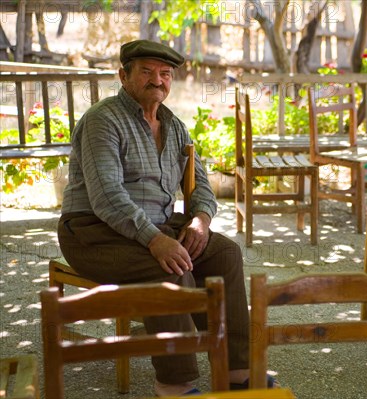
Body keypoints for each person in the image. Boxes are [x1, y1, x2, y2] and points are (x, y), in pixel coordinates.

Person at [57, 40, 275, 396]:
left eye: (165, 74)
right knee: (170, 266)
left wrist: (200, 219)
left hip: (155, 225)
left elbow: (201, 183)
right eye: (146, 71)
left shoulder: (174, 127)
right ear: (123, 76)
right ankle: (174, 381)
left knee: (225, 252)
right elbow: (107, 197)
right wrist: (156, 240)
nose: (157, 80)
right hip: (92, 231)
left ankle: (235, 367)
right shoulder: (103, 120)